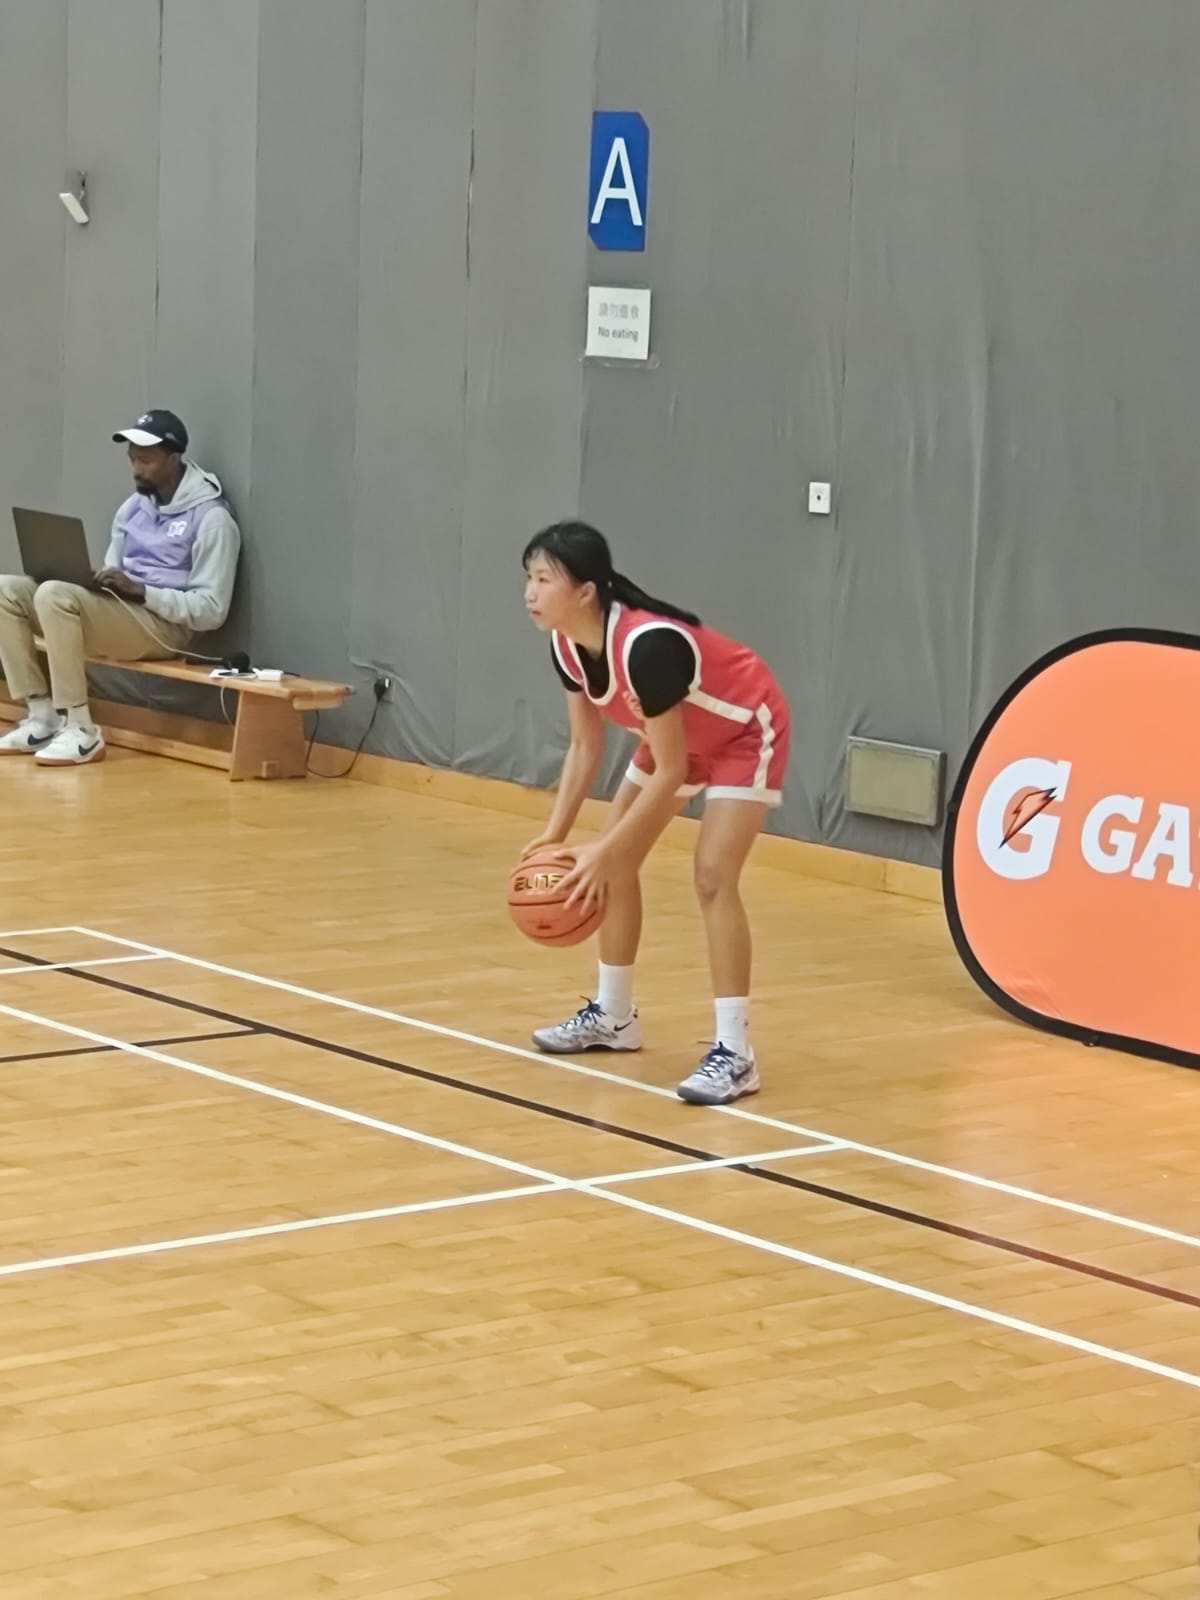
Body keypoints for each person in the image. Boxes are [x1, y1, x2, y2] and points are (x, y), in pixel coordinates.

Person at [521, 519, 791, 1106]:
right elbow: (585, 745)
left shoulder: (648, 645)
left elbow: (669, 772)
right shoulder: (567, 645)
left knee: (712, 877)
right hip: (674, 740)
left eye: (543, 579)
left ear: (585, 591)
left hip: (743, 731)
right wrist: (553, 835)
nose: (530, 593)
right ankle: (614, 1017)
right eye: (529, 579)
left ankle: (735, 1053)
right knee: (613, 865)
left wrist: (606, 848)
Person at [0, 409, 241, 766]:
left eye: (146, 461)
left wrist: (143, 592)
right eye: (132, 460)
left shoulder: (212, 519)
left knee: (54, 595)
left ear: (174, 459)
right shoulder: (132, 509)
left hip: (166, 629)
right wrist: (99, 583)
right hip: (125, 613)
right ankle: (42, 716)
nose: (136, 470)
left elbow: (212, 610)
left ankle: (82, 729)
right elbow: (114, 573)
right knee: (5, 590)